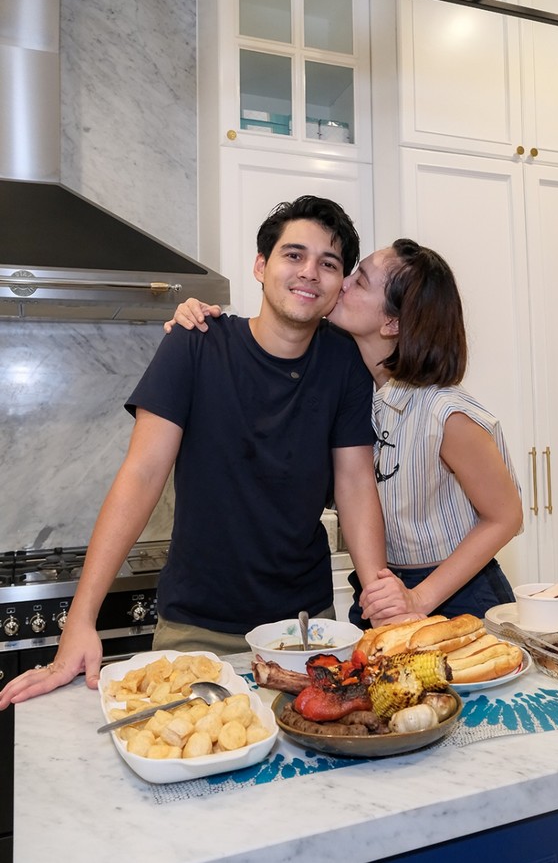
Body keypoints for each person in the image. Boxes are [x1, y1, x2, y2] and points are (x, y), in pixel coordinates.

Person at [0, 195, 394, 711]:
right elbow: (141, 475)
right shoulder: (195, 342)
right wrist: (80, 619)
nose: (309, 273)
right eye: (293, 255)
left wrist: (382, 601)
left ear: (339, 284)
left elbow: (356, 482)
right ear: (261, 265)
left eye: (328, 263)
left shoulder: (343, 363)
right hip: (196, 631)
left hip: (307, 632)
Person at [166, 238, 523, 629]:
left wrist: (419, 597)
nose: (342, 282)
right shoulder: (355, 394)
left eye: (361, 280)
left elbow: (505, 516)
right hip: (380, 588)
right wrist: (196, 313)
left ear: (392, 323)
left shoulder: (446, 412)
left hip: (456, 594)